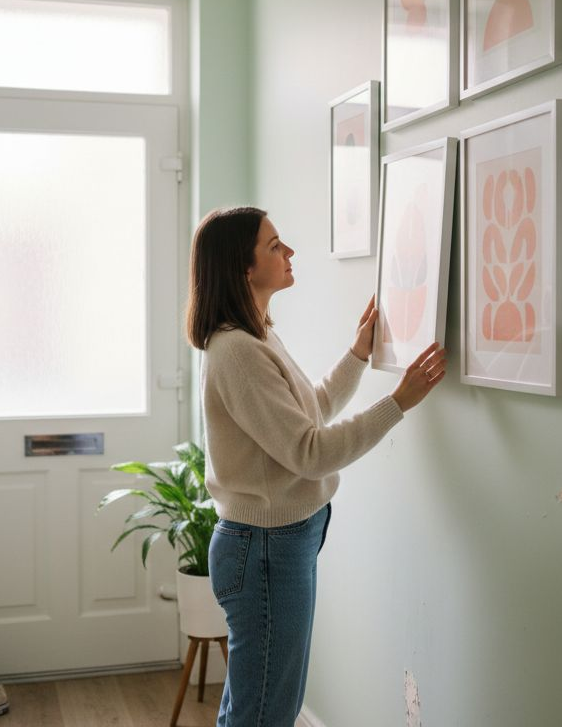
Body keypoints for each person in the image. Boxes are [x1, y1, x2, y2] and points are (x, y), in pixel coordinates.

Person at [185, 205, 447, 727]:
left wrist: (357, 353)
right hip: (263, 549)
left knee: (257, 704)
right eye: (275, 245)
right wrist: (399, 402)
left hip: (276, 544)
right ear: (244, 267)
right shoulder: (238, 351)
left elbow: (312, 411)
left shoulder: (257, 337)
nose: (289, 253)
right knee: (265, 711)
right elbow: (311, 452)